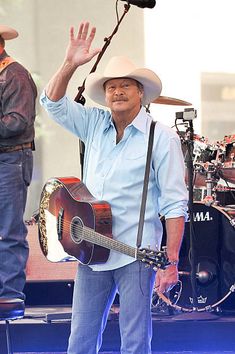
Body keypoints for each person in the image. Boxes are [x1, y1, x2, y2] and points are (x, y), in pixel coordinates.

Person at [40, 22, 188, 354]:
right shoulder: (93, 123)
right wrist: (69, 64)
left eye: (125, 86)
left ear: (141, 94)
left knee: (134, 344)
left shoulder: (160, 137)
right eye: (111, 87)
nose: (117, 92)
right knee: (79, 340)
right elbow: (52, 104)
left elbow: (175, 203)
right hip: (90, 252)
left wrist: (172, 261)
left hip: (136, 254)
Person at [0, 25, 37, 301]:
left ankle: (9, 296)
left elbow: (17, 121)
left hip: (11, 158)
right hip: (8, 158)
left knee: (9, 229)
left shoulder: (15, 74)